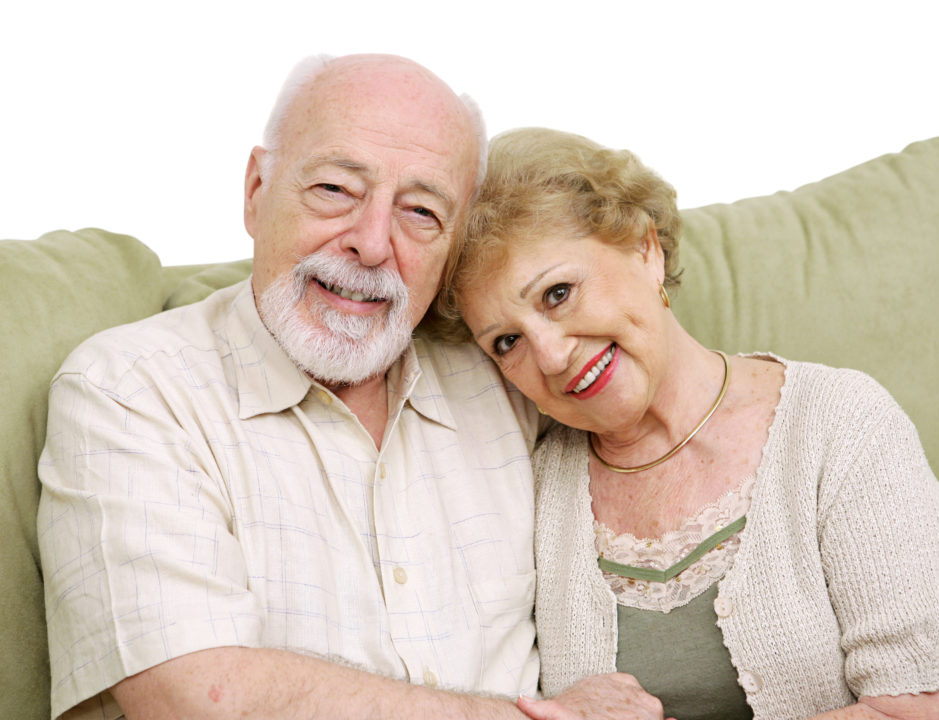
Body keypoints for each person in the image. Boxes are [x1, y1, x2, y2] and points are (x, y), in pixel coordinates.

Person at [36, 56, 664, 720]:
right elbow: (195, 695)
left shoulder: (505, 368)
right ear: (256, 190)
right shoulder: (131, 391)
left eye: (421, 211)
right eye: (335, 189)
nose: (371, 243)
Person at [440, 126, 939, 720]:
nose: (550, 356)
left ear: (645, 248)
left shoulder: (843, 427)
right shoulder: (524, 486)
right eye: (507, 340)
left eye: (558, 293)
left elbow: (917, 715)